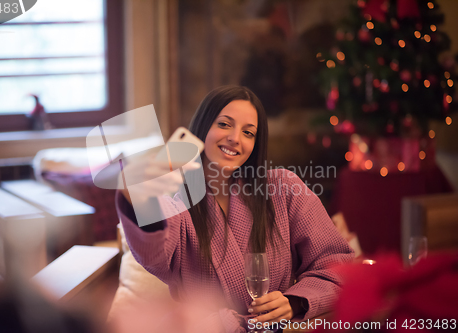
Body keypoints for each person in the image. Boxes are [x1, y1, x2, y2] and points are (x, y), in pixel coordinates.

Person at [116, 86, 354, 332]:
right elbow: (154, 248)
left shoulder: (284, 188)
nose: (235, 138)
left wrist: (294, 302)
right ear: (203, 127)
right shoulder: (179, 207)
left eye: (248, 132)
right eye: (225, 124)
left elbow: (335, 263)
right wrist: (136, 192)